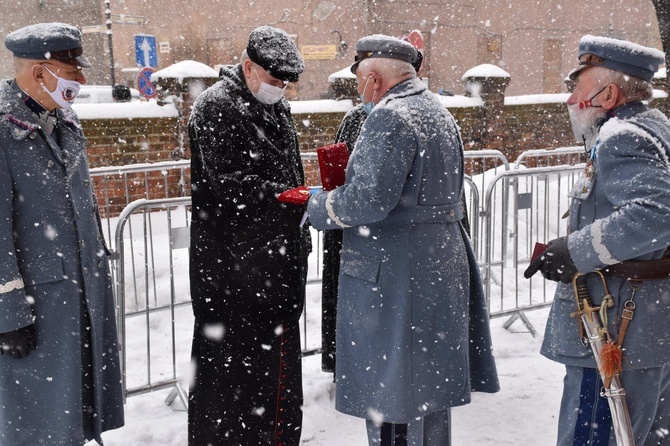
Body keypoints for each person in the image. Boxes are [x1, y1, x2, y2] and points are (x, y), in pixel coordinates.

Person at [306, 34, 499, 446]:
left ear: (374, 79)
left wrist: (317, 205)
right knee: (427, 393)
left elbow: (366, 201)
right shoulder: (435, 110)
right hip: (435, 265)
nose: (360, 91)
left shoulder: (389, 117)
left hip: (395, 275)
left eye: (360, 80)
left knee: (394, 399)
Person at [524, 34, 670, 445]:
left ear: (608, 94)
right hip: (647, 324)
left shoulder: (623, 137)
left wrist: (575, 251)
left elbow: (656, 214)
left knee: (594, 434)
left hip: (616, 326)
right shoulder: (653, 126)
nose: (571, 100)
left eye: (578, 88)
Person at [0, 23, 124, 444]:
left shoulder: (64, 119)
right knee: (36, 421)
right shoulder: (2, 128)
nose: (83, 80)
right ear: (40, 72)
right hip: (37, 301)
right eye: (73, 71)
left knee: (72, 415)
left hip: (78, 293)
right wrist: (8, 312)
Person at [187, 25, 310, 445]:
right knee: (229, 396)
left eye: (286, 83)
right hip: (235, 278)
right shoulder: (216, 106)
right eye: (275, 80)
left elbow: (289, 169)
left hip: (274, 272)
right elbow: (229, 185)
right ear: (248, 67)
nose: (281, 89)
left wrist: (301, 203)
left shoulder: (275, 108)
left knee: (275, 390)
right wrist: (285, 196)